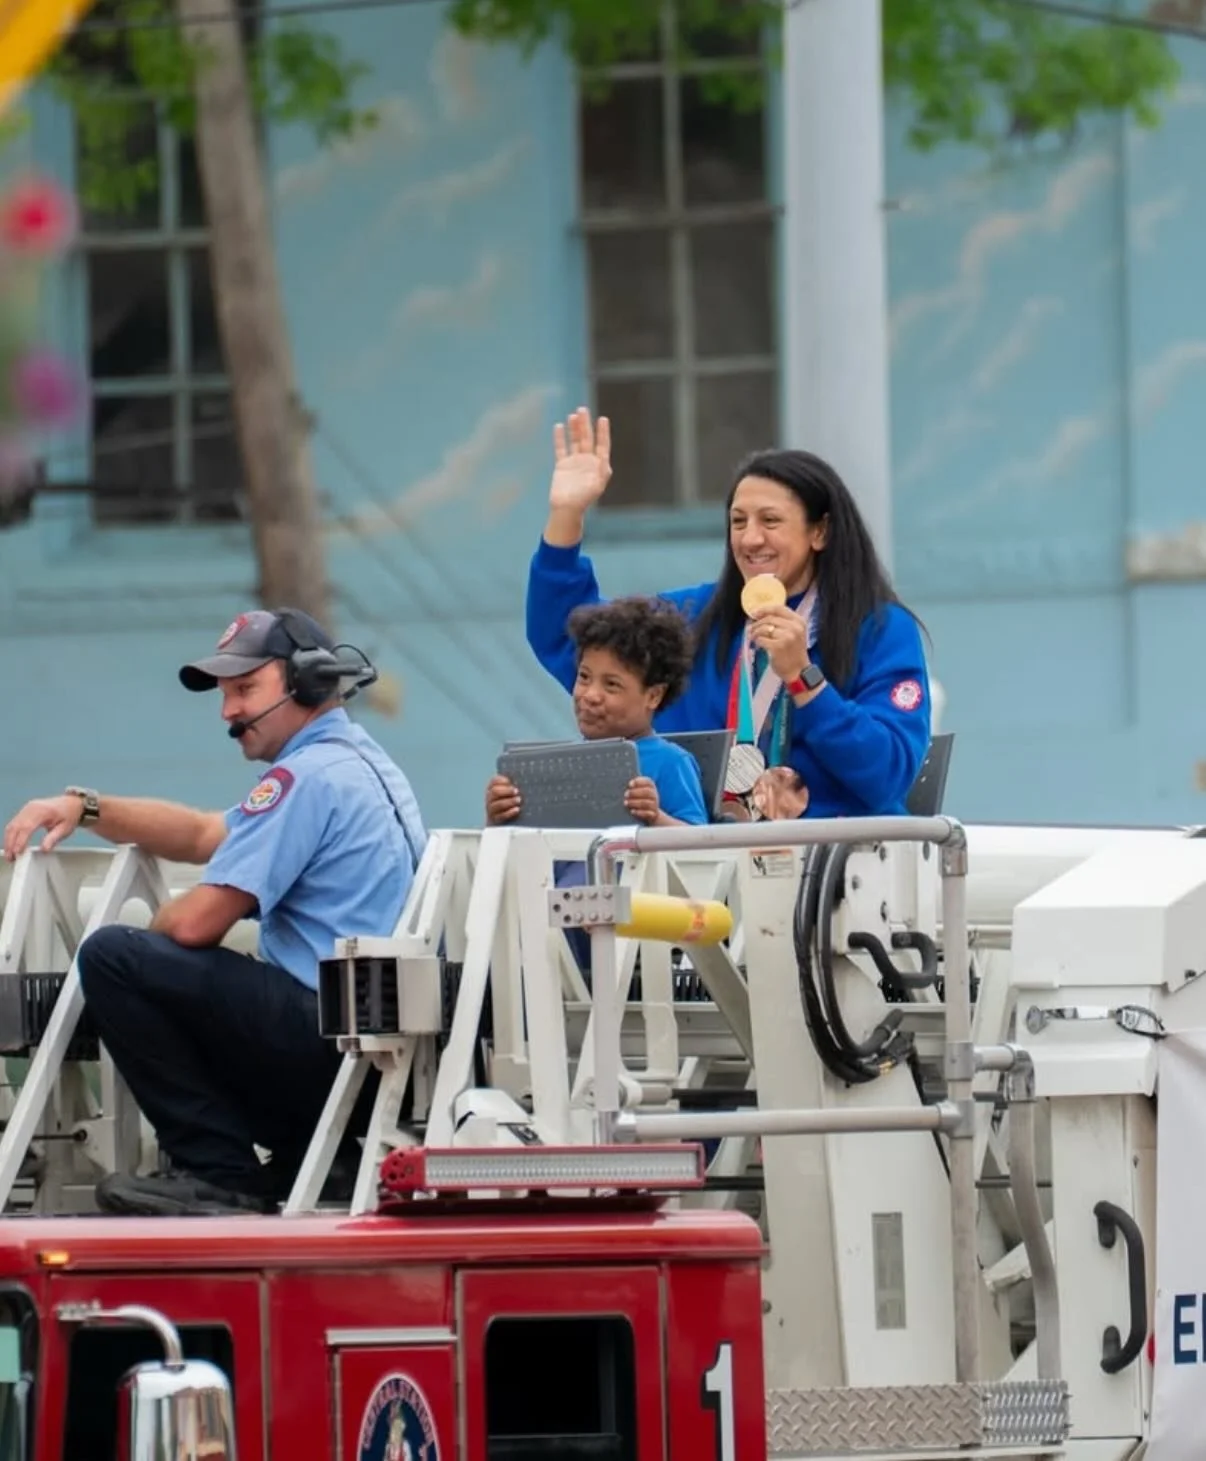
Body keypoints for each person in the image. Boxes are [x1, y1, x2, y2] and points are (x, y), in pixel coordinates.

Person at [1, 607, 427, 1218]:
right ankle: (320, 1159)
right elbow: (205, 833)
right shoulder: (358, 764)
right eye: (225, 694)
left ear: (307, 684)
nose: (229, 712)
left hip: (329, 1050)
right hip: (375, 1054)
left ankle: (220, 1176)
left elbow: (196, 924)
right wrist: (85, 806)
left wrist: (150, 952)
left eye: (246, 690)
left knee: (114, 959)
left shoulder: (304, 779)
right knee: (166, 967)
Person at [526, 409, 932, 819]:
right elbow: (568, 637)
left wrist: (805, 679)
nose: (751, 539)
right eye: (738, 522)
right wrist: (567, 515)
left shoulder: (879, 629)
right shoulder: (689, 618)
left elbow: (888, 776)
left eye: (770, 521)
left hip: (833, 866)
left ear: (820, 531)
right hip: (700, 860)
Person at [485, 595, 708, 828]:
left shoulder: (670, 762)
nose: (590, 695)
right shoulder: (557, 766)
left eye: (611, 684)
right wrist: (497, 817)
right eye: (584, 677)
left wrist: (655, 818)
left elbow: (700, 846)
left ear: (653, 695)